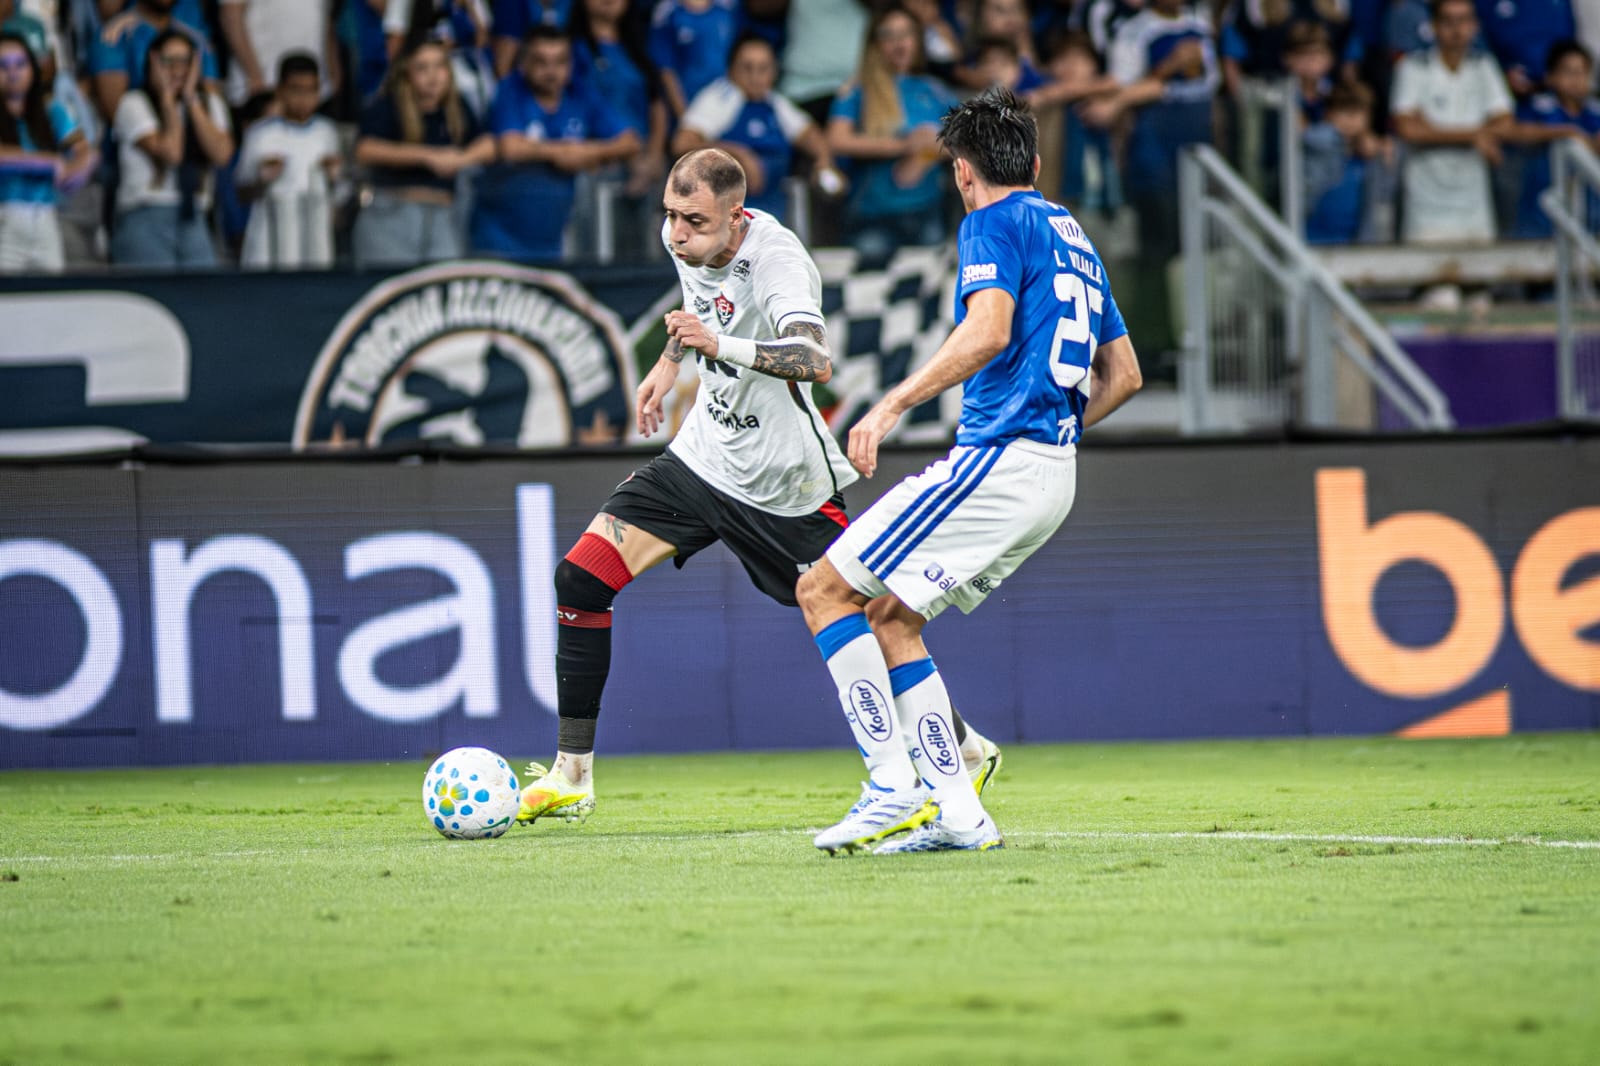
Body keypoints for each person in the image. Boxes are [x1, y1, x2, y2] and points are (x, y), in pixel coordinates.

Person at [514, 146, 1003, 826]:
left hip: (787, 486)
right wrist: (669, 359)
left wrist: (716, 348)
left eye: (694, 220)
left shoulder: (778, 261)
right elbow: (700, 308)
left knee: (862, 620)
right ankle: (572, 774)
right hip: (702, 459)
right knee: (581, 579)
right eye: (670, 216)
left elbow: (813, 359)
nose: (678, 233)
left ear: (736, 218)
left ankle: (961, 748)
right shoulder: (682, 240)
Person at [795, 87, 1142, 855]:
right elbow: (1125, 376)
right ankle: (959, 812)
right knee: (891, 619)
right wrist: (1055, 428)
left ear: (960, 172)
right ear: (1038, 162)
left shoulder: (991, 221)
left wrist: (888, 407)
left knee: (822, 588)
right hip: (1052, 471)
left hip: (1001, 460)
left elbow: (987, 332)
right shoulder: (1071, 232)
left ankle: (890, 785)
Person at [470, 24, 638, 261]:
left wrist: (585, 152)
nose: (551, 71)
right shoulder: (511, 90)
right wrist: (562, 153)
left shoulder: (580, 93)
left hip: (552, 240)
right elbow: (511, 146)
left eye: (560, 62)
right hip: (497, 237)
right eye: (541, 62)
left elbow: (629, 142)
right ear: (524, 63)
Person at [826, 3, 958, 262]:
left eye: (906, 34)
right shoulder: (857, 89)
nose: (899, 43)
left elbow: (968, 141)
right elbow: (837, 139)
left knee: (925, 292)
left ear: (917, 40)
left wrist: (924, 156)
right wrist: (904, 146)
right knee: (867, 293)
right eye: (889, 36)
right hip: (872, 214)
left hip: (926, 210)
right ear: (874, 43)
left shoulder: (933, 89)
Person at [353, 37, 494, 266]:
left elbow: (489, 145)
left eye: (440, 66)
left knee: (443, 290)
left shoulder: (457, 107)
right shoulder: (389, 105)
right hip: (392, 213)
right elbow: (365, 150)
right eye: (422, 68)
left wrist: (459, 159)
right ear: (405, 72)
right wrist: (429, 157)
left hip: (443, 215)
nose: (433, 76)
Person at [672, 31, 839, 222]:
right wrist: (736, 156)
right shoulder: (719, 99)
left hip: (771, 216)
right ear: (731, 69)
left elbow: (809, 134)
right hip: (724, 221)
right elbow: (682, 145)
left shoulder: (775, 103)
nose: (755, 76)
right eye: (747, 68)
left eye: (763, 68)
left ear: (774, 71)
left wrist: (824, 160)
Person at [1389, 0, 1512, 246]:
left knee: (1480, 281)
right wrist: (1475, 136)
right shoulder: (1413, 67)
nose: (1457, 30)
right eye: (1448, 21)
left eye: (1464, 21)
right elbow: (1407, 128)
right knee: (1434, 283)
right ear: (1433, 26)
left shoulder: (1484, 66)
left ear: (1475, 26)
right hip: (1426, 203)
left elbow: (1505, 122)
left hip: (1474, 202)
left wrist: (1431, 128)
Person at [110, 28, 233, 267]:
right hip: (146, 214)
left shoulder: (209, 103)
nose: (177, 71)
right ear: (153, 62)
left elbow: (223, 155)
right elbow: (172, 154)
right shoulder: (134, 103)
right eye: (168, 62)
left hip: (194, 214)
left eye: (185, 62)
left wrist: (191, 100)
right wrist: (167, 101)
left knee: (203, 295)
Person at [0, 29, 95, 272]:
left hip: (45, 218)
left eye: (20, 64)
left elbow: (86, 151)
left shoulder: (52, 110)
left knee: (50, 297)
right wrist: (48, 162)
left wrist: (76, 171)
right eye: (3, 66)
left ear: (33, 67)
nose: (12, 73)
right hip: (6, 217)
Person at [234, 51, 339, 268]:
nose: (304, 99)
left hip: (315, 243)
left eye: (311, 90)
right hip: (268, 245)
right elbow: (240, 191)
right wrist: (262, 178)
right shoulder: (261, 134)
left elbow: (339, 192)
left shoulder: (327, 132)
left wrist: (334, 176)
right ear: (280, 90)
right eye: (296, 90)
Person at [1507, 38, 1600, 239]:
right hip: (1540, 212)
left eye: (1582, 72)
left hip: (1589, 212)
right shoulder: (1538, 107)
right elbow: (1515, 132)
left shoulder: (1595, 112)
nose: (1576, 79)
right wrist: (1566, 131)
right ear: (1550, 77)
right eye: (1568, 72)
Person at [1302, 79, 1397, 243]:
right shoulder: (1318, 143)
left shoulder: (1371, 155)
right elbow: (1314, 137)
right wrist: (1346, 141)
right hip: (1311, 238)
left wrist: (1384, 159)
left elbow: (1384, 198)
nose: (1350, 120)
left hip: (1353, 242)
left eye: (1358, 113)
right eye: (1343, 111)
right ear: (1328, 114)